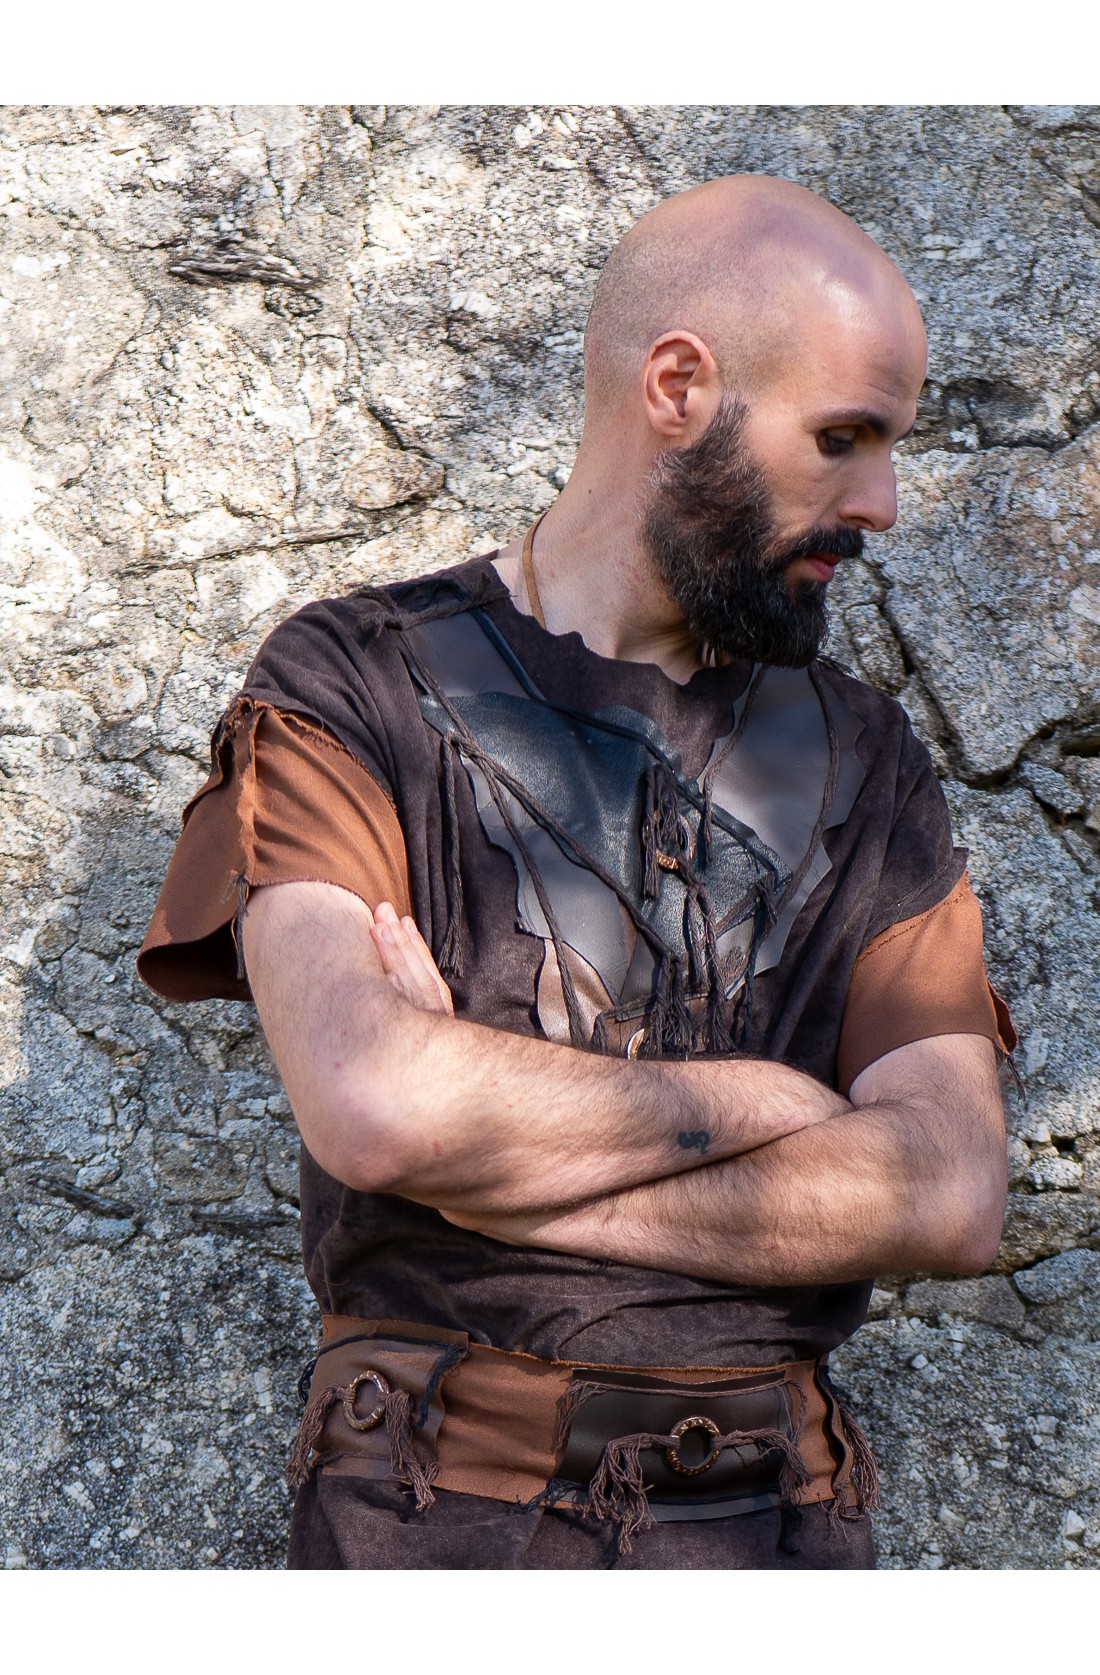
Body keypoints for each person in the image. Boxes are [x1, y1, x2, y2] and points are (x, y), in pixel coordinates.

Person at [138, 174, 1015, 1570]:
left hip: (778, 1544)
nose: (882, 504)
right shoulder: (356, 683)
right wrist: (767, 1104)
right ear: (680, 388)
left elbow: (950, 1188)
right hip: (429, 1533)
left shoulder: (871, 758)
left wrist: (487, 1170)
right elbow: (375, 1104)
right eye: (843, 438)